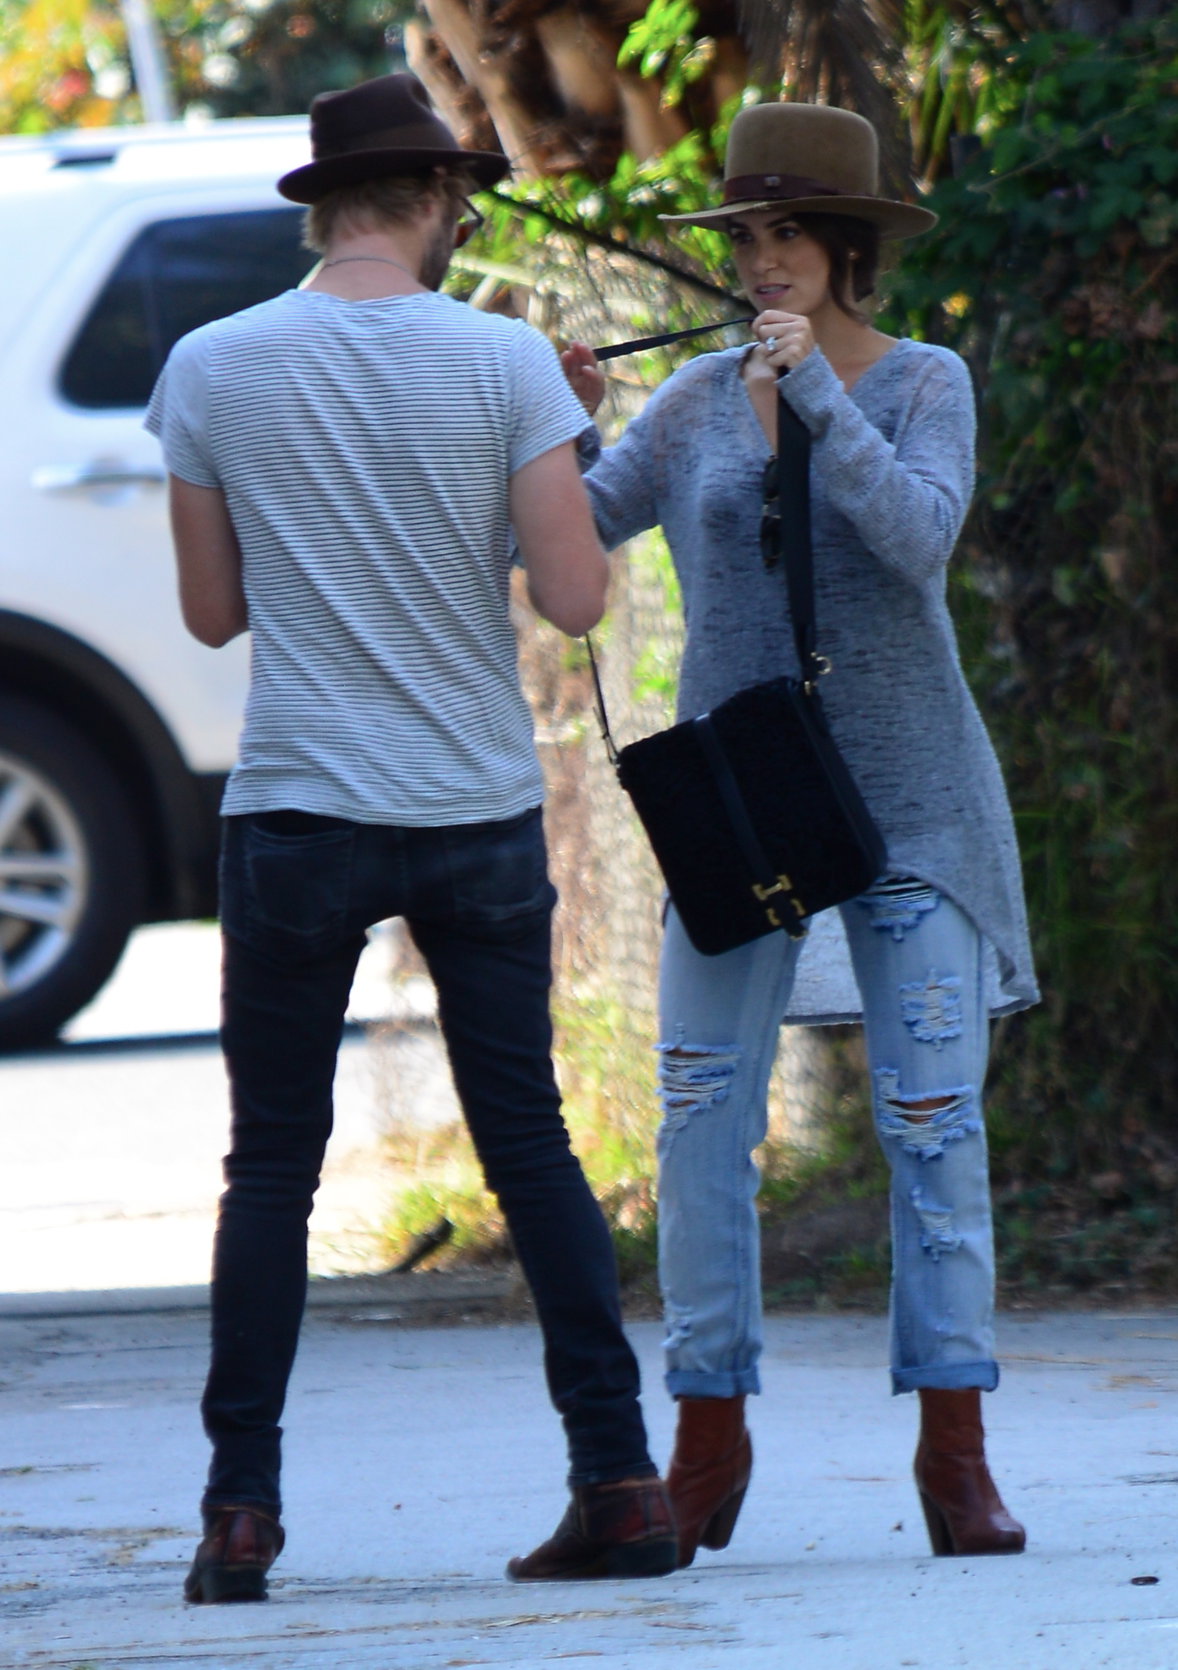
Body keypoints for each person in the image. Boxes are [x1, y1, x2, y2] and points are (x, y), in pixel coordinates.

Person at [145, 72, 677, 1603]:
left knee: (271, 1168)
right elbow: (572, 598)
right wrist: (547, 436)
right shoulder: (507, 360)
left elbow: (210, 611)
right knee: (531, 1146)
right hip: (470, 807)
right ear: (437, 200)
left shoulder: (210, 365)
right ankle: (619, 1481)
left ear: (324, 203)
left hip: (301, 803)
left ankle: (239, 1510)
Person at [561, 101, 1039, 1567]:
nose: (763, 260)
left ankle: (953, 1447)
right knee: (702, 1115)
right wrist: (554, 422)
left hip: (913, 802)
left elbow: (916, 540)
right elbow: (572, 548)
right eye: (745, 236)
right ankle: (706, 1437)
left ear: (845, 248)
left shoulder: (921, 381)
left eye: (787, 235)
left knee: (928, 1121)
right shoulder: (693, 396)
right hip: (742, 799)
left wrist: (814, 399)